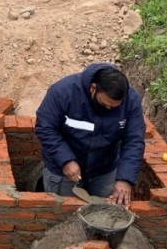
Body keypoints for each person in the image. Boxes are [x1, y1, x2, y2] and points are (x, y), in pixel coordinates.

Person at [35, 64, 146, 207]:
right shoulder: (63, 92)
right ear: (93, 88)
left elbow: (134, 141)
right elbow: (45, 128)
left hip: (104, 171)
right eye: (104, 104)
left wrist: (125, 178)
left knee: (103, 215)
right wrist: (65, 160)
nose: (108, 109)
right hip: (62, 171)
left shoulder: (131, 101)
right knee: (64, 217)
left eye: (114, 108)